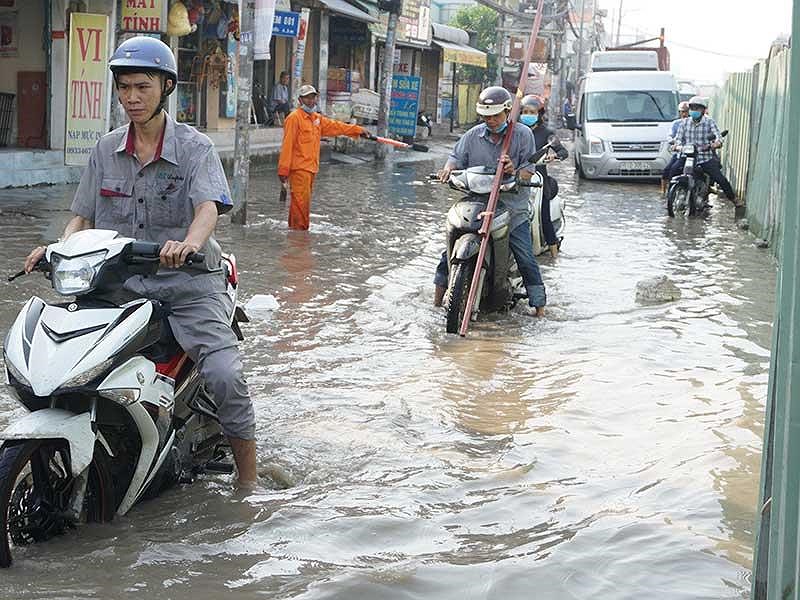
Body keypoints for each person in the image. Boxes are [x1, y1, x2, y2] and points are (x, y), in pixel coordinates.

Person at [22, 36, 258, 487]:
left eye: (142, 87)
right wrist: (57, 247)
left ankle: (248, 482)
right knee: (66, 365)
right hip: (120, 287)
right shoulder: (105, 149)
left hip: (188, 287)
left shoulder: (195, 148)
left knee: (226, 376)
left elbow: (208, 207)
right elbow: (83, 216)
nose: (131, 97)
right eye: (124, 87)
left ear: (165, 87)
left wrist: (187, 243)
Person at [434, 86, 547, 316]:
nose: (491, 120)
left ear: (507, 112)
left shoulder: (522, 135)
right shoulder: (473, 135)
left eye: (496, 115)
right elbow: (455, 158)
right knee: (448, 252)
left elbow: (528, 170)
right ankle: (436, 301)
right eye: (487, 116)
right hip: (477, 204)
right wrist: (447, 171)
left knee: (525, 256)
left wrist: (513, 169)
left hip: (511, 208)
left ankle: (540, 309)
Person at [278, 84, 367, 230]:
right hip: (299, 169)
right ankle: (300, 238)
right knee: (301, 205)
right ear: (300, 100)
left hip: (311, 168)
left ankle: (295, 236)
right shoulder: (294, 118)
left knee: (300, 205)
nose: (311, 101)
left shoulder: (317, 119)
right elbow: (287, 145)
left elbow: (337, 126)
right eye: (307, 98)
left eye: (313, 97)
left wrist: (358, 130)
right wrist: (283, 170)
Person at [520, 94, 569, 257]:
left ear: (539, 114)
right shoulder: (516, 131)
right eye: (525, 111)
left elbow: (563, 151)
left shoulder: (547, 133)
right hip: (519, 178)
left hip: (539, 181)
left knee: (544, 216)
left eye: (532, 112)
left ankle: (554, 255)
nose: (527, 115)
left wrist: (553, 157)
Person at [667, 96, 736, 203]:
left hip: (705, 157)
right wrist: (676, 146)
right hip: (688, 156)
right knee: (672, 170)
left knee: (720, 179)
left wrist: (716, 144)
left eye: (697, 108)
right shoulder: (684, 123)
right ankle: (670, 198)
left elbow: (718, 137)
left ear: (703, 110)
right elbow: (678, 138)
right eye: (692, 108)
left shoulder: (709, 122)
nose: (695, 111)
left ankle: (734, 200)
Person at [661, 101, 689, 196]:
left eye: (686, 111)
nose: (684, 114)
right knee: (667, 170)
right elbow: (670, 136)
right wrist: (673, 142)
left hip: (691, 153)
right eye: (682, 112)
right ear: (679, 113)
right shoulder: (676, 124)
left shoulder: (693, 123)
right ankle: (664, 193)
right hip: (679, 152)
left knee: (674, 169)